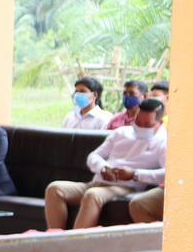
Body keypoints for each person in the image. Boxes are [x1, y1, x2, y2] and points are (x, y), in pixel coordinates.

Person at [44, 98, 166, 230]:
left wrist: (134, 174)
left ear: (160, 122)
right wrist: (103, 168)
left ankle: (76, 239)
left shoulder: (163, 142)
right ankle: (55, 234)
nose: (140, 127)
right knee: (54, 189)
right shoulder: (121, 132)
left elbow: (167, 174)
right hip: (98, 181)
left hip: (126, 187)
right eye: (138, 122)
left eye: (147, 124)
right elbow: (94, 156)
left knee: (93, 195)